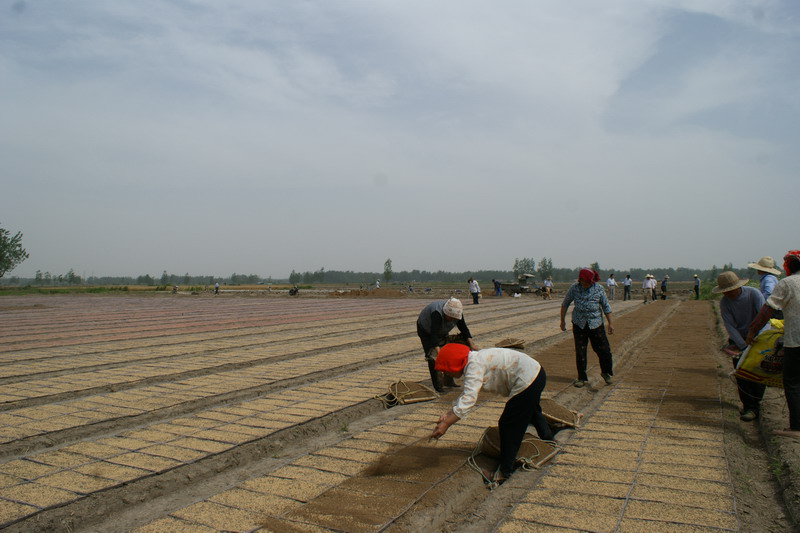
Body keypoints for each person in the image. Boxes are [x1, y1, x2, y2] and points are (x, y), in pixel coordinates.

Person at [429, 343, 553, 484]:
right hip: (535, 373)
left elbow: (469, 400)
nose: (447, 374)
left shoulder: (474, 366)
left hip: (528, 380)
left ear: (454, 365)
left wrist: (447, 423)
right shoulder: (475, 359)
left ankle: (504, 472)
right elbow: (465, 395)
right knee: (530, 410)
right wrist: (449, 414)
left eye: (447, 371)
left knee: (509, 424)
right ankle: (548, 438)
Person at [746, 251, 800, 440]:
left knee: (793, 383)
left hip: (796, 341)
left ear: (788, 267)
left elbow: (767, 309)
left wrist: (752, 331)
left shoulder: (787, 283)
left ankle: (797, 427)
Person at [714, 271, 765, 422]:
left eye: (731, 290)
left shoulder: (753, 294)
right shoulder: (725, 302)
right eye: (725, 292)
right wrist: (742, 345)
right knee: (741, 373)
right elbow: (730, 325)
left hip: (759, 337)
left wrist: (758, 338)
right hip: (739, 339)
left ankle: (756, 402)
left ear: (738, 287)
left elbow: (764, 318)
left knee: (759, 372)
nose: (728, 294)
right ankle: (749, 407)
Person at [560, 268, 614, 388]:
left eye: (588, 282)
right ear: (580, 280)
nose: (585, 284)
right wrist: (562, 321)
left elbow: (606, 306)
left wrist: (610, 323)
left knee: (604, 350)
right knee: (580, 351)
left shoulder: (599, 289)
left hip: (596, 323)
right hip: (579, 323)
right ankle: (581, 378)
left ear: (592, 281)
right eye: (583, 281)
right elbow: (565, 304)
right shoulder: (574, 288)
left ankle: (606, 372)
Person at [416, 298, 477, 392]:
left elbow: (464, 329)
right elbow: (434, 335)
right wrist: (439, 353)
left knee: (449, 354)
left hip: (442, 331)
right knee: (433, 357)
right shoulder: (437, 314)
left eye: (454, 319)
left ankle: (448, 381)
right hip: (426, 331)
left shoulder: (457, 313)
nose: (452, 320)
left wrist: (471, 345)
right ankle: (438, 386)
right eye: (450, 318)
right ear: (445, 313)